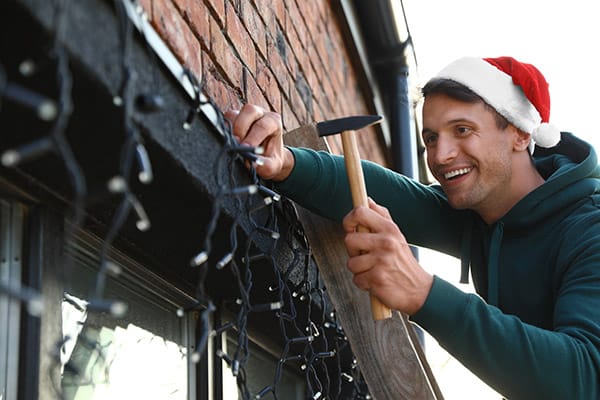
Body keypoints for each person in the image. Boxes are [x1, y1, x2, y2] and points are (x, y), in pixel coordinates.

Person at [225, 56, 600, 399]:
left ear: (520, 132)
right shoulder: (484, 211)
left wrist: (422, 292)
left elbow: (583, 377)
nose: (440, 155)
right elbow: (393, 196)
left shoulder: (590, 228)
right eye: (431, 138)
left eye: (463, 130)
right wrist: (285, 162)